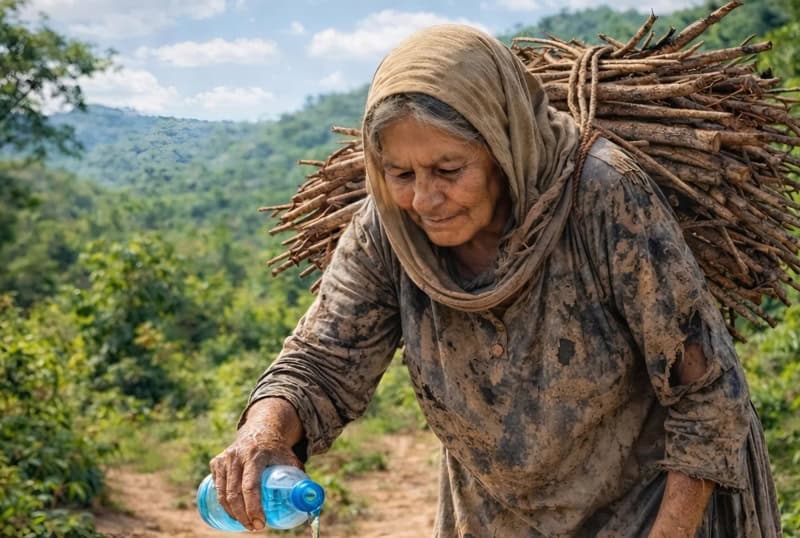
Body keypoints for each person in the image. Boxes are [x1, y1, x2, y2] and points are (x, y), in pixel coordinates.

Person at [210, 25, 782, 537]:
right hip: (495, 516)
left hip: (653, 507)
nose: (424, 199)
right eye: (400, 173)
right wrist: (263, 431)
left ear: (503, 147)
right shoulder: (389, 230)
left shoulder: (602, 197)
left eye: (448, 170)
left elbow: (705, 390)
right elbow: (323, 358)